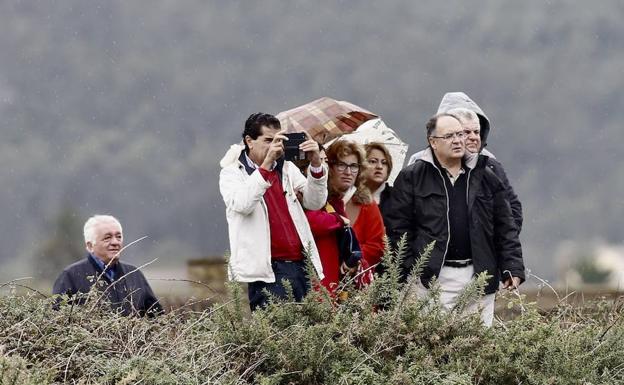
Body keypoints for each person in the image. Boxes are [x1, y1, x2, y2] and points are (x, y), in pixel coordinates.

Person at [386, 113, 524, 326]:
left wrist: (512, 267)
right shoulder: (412, 177)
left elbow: (505, 226)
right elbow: (398, 229)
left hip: (478, 276)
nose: (459, 140)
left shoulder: (485, 175)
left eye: (460, 134)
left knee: (476, 347)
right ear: (433, 142)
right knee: (430, 346)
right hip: (430, 279)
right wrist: (410, 270)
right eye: (449, 136)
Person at [219, 112, 327, 311]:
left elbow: (315, 202)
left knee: (306, 334)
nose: (275, 146)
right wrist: (266, 165)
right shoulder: (232, 173)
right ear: (249, 141)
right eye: (268, 140)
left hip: (300, 264)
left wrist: (316, 165)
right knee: (275, 336)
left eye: (278, 140)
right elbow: (242, 204)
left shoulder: (286, 168)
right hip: (267, 270)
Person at [408, 92, 522, 232]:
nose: (474, 137)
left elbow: (513, 212)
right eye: (466, 132)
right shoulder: (420, 162)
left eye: (476, 131)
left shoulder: (489, 163)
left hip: (481, 253)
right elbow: (405, 214)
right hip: (432, 251)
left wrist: (492, 245)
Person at [52, 215, 162, 316]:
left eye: (118, 237)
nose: (115, 242)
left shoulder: (134, 274)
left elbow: (158, 318)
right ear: (90, 246)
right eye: (107, 238)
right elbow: (58, 320)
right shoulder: (71, 275)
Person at [326, 140, 385, 272]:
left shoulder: (367, 204)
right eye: (341, 165)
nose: (348, 172)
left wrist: (352, 258)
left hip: (353, 281)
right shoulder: (318, 200)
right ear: (330, 167)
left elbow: (377, 246)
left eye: (354, 166)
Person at [363, 142, 394, 230]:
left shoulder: (398, 198)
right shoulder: (350, 196)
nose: (379, 167)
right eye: (373, 161)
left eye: (384, 163)